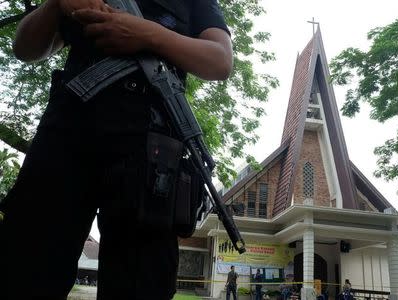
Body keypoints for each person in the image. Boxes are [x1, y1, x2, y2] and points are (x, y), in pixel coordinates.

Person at [0, 0, 232, 299]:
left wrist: (147, 34)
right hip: (64, 137)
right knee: (22, 270)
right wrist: (57, 4)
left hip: (151, 157)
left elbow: (220, 61)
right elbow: (25, 48)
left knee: (141, 282)